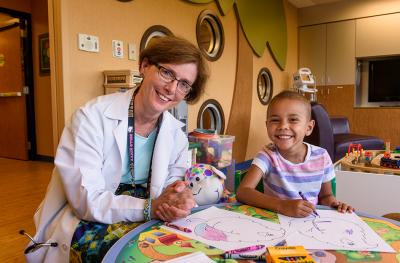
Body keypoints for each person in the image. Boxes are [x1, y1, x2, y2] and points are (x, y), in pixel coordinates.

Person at [24, 36, 209, 262]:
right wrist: (149, 207)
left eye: (184, 84)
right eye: (167, 73)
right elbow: (85, 200)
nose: (171, 88)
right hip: (89, 217)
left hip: (149, 213)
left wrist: (180, 198)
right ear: (144, 66)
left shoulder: (177, 136)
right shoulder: (90, 117)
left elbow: (171, 188)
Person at [237, 90, 354, 218]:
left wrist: (334, 205)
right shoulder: (267, 155)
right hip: (275, 223)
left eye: (293, 119)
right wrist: (282, 205)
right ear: (267, 125)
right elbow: (243, 191)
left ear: (308, 128)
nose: (283, 126)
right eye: (275, 120)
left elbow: (326, 196)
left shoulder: (322, 157)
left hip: (310, 224)